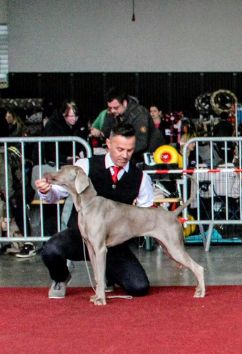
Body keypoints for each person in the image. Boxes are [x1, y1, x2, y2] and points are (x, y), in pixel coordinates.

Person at [35, 123, 157, 299]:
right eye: (120, 149)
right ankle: (60, 278)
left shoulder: (141, 178)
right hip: (80, 236)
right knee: (51, 249)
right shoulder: (84, 166)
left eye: (130, 150)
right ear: (108, 143)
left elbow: (146, 214)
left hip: (114, 242)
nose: (125, 155)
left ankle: (108, 274)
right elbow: (56, 194)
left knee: (139, 287)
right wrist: (46, 191)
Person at [90, 88, 163, 163]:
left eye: (116, 107)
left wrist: (119, 151)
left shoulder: (140, 114)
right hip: (128, 154)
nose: (112, 110)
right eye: (110, 108)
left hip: (150, 154)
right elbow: (106, 132)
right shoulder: (112, 112)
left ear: (124, 103)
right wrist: (100, 133)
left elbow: (141, 142)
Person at [41, 100, 90, 166]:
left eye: (76, 116)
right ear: (64, 114)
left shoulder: (80, 123)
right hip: (55, 163)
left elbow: (84, 142)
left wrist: (82, 154)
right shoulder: (53, 126)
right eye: (71, 116)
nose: (74, 119)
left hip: (75, 160)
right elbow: (51, 150)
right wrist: (66, 158)